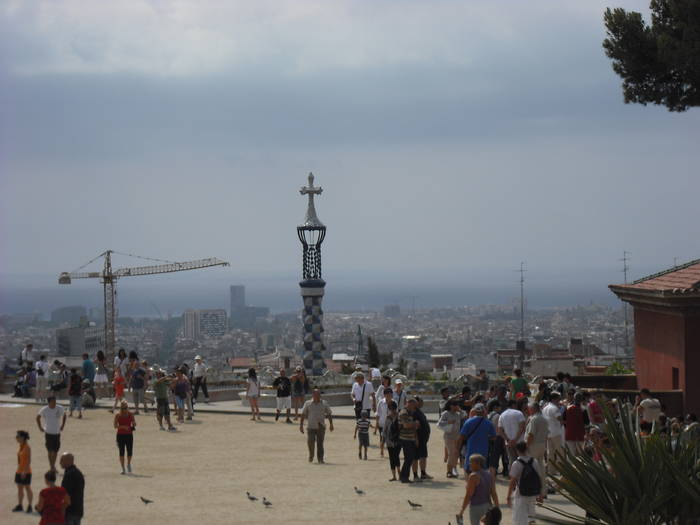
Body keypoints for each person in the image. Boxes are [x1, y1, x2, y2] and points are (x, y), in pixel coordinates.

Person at [457, 454, 499, 525]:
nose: (469, 464)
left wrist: (462, 510)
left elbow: (469, 495)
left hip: (476, 507)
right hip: (488, 506)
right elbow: (493, 493)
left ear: (478, 463)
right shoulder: (489, 474)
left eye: (471, 462)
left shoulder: (473, 476)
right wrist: (497, 508)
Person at [458, 403, 496, 475]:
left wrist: (458, 449)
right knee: (482, 470)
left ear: (475, 411)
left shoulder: (468, 422)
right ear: (484, 411)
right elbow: (494, 437)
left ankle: (470, 484)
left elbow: (461, 437)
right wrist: (485, 437)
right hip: (483, 451)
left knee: (468, 470)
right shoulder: (489, 423)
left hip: (470, 450)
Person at [299, 388, 333, 463]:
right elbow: (303, 414)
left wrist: (331, 424)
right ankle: (311, 455)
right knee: (310, 442)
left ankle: (320, 458)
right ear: (313, 395)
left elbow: (329, 414)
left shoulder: (324, 403)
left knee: (320, 443)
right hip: (311, 426)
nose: (317, 396)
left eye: (318, 394)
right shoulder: (308, 403)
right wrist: (301, 425)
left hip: (321, 426)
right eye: (315, 394)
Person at [524, 402, 548, 499]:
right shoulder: (544, 419)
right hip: (542, 445)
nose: (528, 410)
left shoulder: (534, 419)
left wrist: (526, 446)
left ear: (533, 409)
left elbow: (531, 435)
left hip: (533, 445)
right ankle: (543, 491)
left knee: (531, 469)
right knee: (541, 469)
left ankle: (533, 491)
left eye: (529, 409)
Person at [36, 396, 66, 472]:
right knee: (49, 450)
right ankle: (52, 466)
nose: (54, 403)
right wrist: (40, 427)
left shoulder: (59, 408)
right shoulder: (44, 409)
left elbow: (64, 415)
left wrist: (62, 425)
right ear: (49, 402)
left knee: (55, 450)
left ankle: (52, 466)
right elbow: (37, 417)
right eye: (53, 401)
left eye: (55, 401)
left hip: (57, 432)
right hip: (48, 432)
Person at [497, 399, 526, 469]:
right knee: (522, 460)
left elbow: (500, 431)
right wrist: (515, 439)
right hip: (520, 442)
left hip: (508, 443)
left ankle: (513, 477)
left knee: (512, 461)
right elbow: (522, 428)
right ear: (514, 405)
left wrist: (508, 440)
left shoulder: (502, 415)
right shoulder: (519, 413)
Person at [542, 391, 564, 479]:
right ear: (554, 399)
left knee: (550, 453)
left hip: (548, 433)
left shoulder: (545, 408)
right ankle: (561, 470)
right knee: (560, 452)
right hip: (556, 432)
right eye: (558, 399)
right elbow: (559, 418)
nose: (559, 400)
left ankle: (551, 471)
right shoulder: (555, 408)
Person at [438, 400, 463, 478]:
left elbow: (465, 415)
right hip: (449, 436)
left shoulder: (458, 414)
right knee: (452, 453)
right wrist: (448, 422)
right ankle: (449, 471)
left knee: (456, 453)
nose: (457, 407)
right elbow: (439, 423)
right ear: (451, 406)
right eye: (455, 405)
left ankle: (454, 469)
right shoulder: (445, 413)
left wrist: (460, 410)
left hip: (457, 436)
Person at [398, 397, 420, 483]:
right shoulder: (404, 412)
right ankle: (404, 477)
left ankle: (403, 476)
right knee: (409, 458)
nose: (415, 408)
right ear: (410, 404)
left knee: (409, 458)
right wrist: (415, 423)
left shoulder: (409, 412)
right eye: (414, 406)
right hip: (405, 438)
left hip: (410, 438)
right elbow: (406, 425)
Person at [60, 453, 84, 525]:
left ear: (68, 461)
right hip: (78, 510)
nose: (60, 462)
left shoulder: (69, 475)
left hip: (69, 511)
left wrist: (62, 510)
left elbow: (66, 495)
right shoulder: (78, 473)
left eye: (62, 460)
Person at [412, 396, 433, 480]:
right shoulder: (414, 413)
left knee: (423, 456)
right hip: (418, 439)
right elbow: (414, 428)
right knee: (416, 457)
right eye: (421, 401)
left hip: (423, 439)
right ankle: (415, 475)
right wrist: (416, 438)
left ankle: (423, 473)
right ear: (416, 403)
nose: (422, 402)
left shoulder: (419, 411)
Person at [486, 399, 508, 479]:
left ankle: (491, 472)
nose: (500, 408)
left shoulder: (489, 415)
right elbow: (498, 429)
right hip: (496, 438)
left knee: (491, 456)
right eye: (499, 407)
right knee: (496, 457)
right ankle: (494, 473)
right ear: (496, 407)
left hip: (489, 438)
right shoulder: (498, 416)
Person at [13, 430, 33, 513]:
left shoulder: (27, 447)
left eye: (18, 436)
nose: (16, 438)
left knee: (27, 488)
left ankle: (29, 506)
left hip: (26, 472)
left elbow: (28, 460)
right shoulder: (21, 446)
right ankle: (20, 505)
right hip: (19, 471)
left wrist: (24, 471)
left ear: (23, 438)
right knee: (20, 488)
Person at [114, 400, 136, 474]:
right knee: (121, 452)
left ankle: (128, 464)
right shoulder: (117, 415)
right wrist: (123, 427)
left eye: (126, 408)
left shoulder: (131, 414)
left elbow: (134, 422)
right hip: (120, 435)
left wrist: (134, 424)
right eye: (123, 408)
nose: (124, 409)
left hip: (129, 435)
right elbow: (115, 426)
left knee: (130, 451)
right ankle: (123, 468)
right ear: (120, 408)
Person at [383, 400, 401, 481]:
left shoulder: (399, 417)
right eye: (391, 408)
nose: (392, 410)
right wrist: (383, 440)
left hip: (398, 441)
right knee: (392, 458)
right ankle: (394, 475)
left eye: (393, 408)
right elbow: (385, 430)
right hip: (390, 441)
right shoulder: (388, 417)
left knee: (396, 457)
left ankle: (399, 473)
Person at [375, 387, 393, 457]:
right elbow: (378, 413)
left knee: (390, 439)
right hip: (382, 424)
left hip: (391, 424)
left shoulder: (394, 402)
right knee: (382, 438)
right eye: (388, 395)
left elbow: (396, 413)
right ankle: (382, 451)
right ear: (384, 395)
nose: (389, 396)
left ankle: (391, 452)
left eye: (391, 394)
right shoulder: (381, 402)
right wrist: (377, 424)